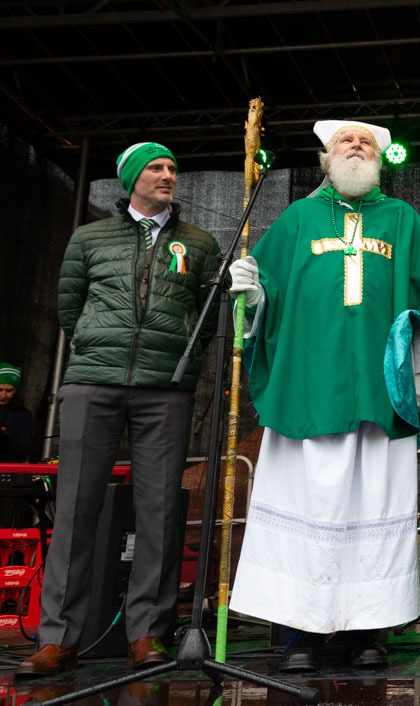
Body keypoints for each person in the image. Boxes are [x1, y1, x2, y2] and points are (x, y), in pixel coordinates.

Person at [227, 120, 420, 672]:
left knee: (374, 506)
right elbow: (265, 293)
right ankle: (300, 636)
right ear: (327, 157)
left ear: (380, 159)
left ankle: (367, 632)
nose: (356, 146)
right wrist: (253, 292)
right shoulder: (297, 218)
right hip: (306, 388)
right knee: (306, 505)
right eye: (346, 140)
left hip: (378, 391)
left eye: (366, 141)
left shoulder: (401, 218)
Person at [17, 143, 223, 678]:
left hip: (166, 388)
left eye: (173, 167)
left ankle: (147, 634)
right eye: (155, 167)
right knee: (75, 510)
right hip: (93, 383)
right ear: (131, 178)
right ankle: (57, 639)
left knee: (160, 511)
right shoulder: (89, 238)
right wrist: (95, 345)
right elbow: (70, 307)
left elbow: (206, 317)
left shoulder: (199, 242)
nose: (168, 175)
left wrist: (177, 357)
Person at [0, 362, 33, 463]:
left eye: (9, 391)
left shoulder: (23, 415)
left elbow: (23, 452)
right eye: (0, 390)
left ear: (16, 391)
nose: (3, 395)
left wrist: (5, 437)